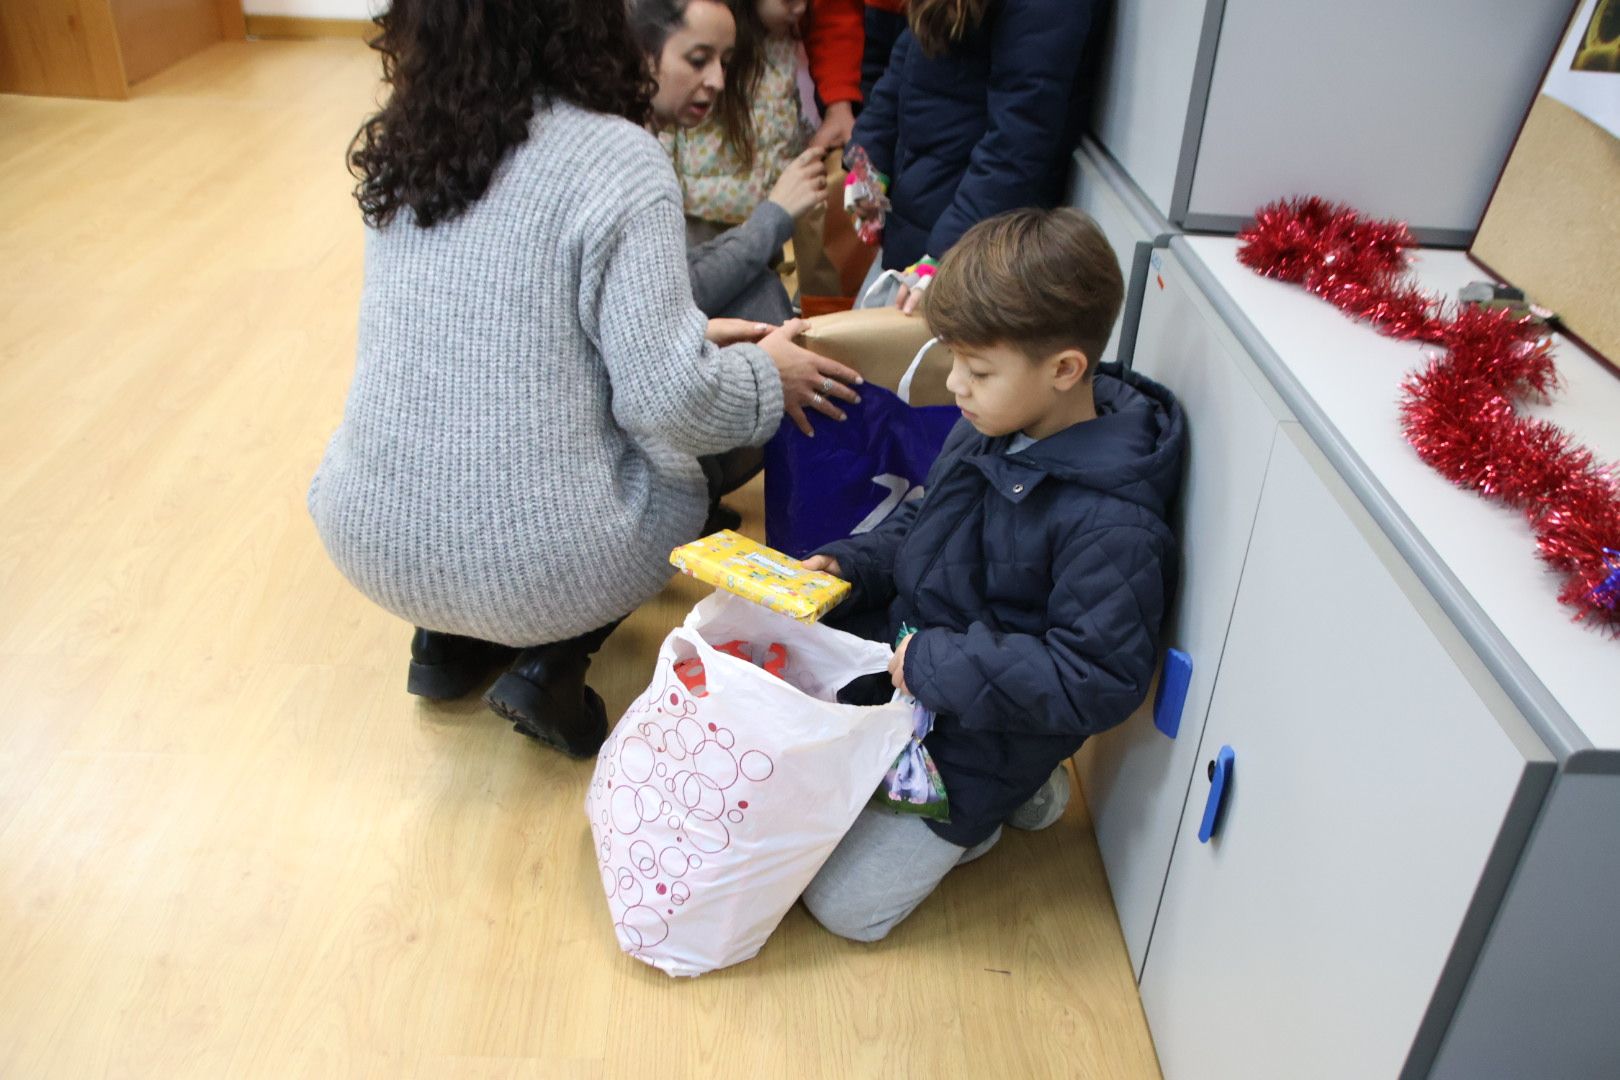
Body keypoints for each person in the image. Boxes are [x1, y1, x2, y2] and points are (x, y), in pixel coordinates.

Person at [308, 0, 862, 757]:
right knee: (686, 475)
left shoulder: (409, 136)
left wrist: (682, 333)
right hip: (537, 567)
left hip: (366, 530)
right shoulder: (616, 155)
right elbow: (676, 405)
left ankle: (443, 645)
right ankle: (553, 662)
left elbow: (496, 330)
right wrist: (769, 375)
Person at [797, 208, 1185, 941]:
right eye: (953, 361)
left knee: (843, 909)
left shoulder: (1114, 522)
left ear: (1066, 369)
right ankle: (1008, 801)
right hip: (916, 671)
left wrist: (941, 664)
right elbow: (923, 528)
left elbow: (1095, 675)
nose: (954, 385)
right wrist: (845, 566)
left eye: (976, 370)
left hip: (981, 732)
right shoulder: (996, 421)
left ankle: (1008, 802)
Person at [845, 0, 1100, 308]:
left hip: (961, 264)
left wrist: (948, 253)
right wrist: (868, 160)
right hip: (916, 242)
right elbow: (909, 60)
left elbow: (1018, 142)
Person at [635, 0, 828, 325]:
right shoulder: (633, 157)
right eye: (698, 61)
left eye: (724, 63)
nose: (718, 81)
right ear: (644, 56)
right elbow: (674, 295)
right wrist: (774, 215)